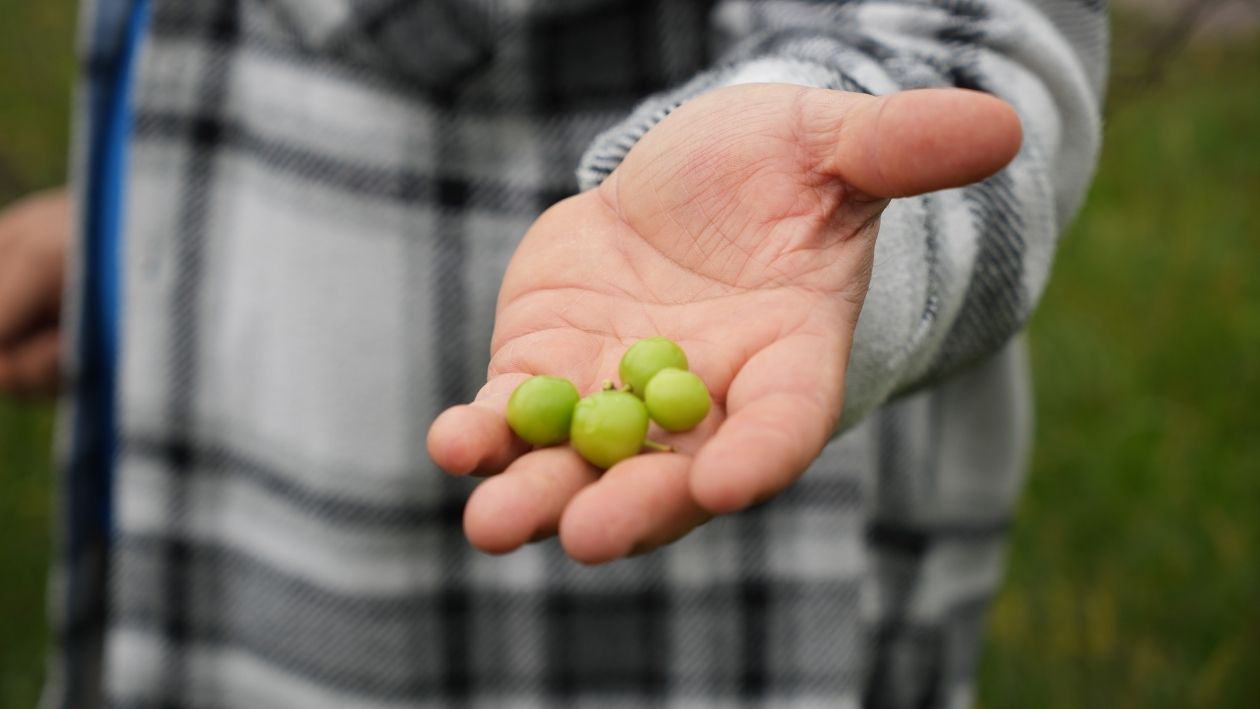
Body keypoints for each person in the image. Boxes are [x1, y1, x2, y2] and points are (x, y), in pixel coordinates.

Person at [0, 0, 1106, 706]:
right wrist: (121, 228)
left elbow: (977, 36)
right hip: (244, 465)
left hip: (668, 621)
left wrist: (834, 198)